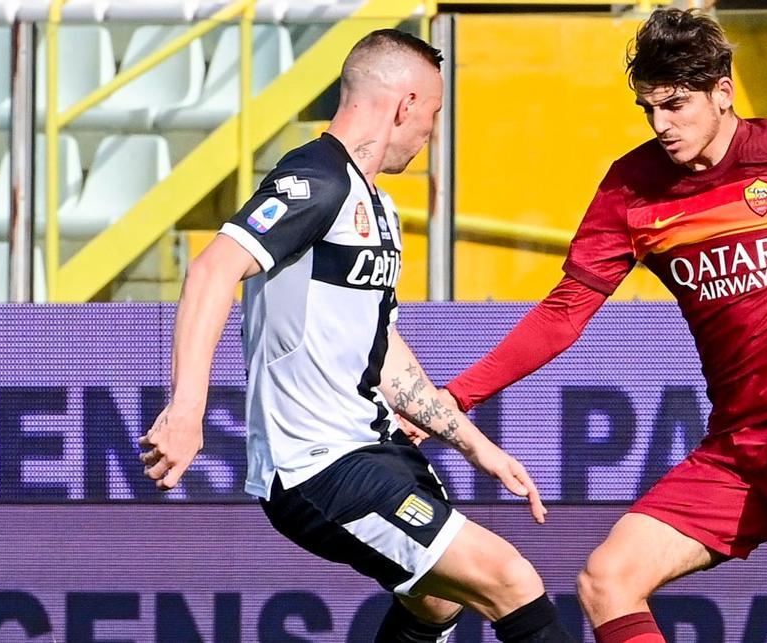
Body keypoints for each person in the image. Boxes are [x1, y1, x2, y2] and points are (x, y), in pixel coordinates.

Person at [435, 9, 767, 643]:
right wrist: (455, 396)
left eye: (676, 106)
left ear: (723, 92)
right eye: (649, 110)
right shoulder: (631, 191)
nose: (662, 126)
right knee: (607, 579)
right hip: (737, 435)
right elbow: (562, 316)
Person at [139, 29, 574, 643]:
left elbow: (386, 359)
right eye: (434, 112)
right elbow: (212, 269)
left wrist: (477, 445)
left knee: (436, 603)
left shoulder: (379, 209)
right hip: (316, 463)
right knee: (509, 578)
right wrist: (188, 409)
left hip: (373, 447)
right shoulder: (318, 180)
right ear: (406, 105)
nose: (431, 130)